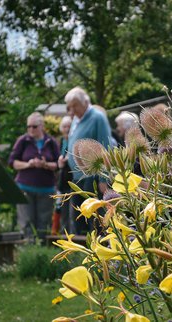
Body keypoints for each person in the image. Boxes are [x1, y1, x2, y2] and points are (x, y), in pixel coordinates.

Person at [65, 87, 111, 234]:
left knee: (94, 216)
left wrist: (104, 179)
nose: (72, 110)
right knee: (79, 217)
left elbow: (105, 146)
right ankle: (83, 251)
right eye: (69, 107)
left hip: (92, 176)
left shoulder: (97, 117)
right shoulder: (76, 120)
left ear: (85, 102)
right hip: (77, 176)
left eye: (75, 106)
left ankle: (100, 248)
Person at [8, 112, 60, 242]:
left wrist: (45, 164)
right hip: (25, 188)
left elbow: (58, 164)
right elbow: (12, 162)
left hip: (46, 190)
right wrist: (28, 164)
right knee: (26, 223)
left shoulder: (51, 142)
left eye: (34, 126)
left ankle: (42, 255)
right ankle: (28, 253)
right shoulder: (22, 141)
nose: (31, 129)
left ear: (42, 126)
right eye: (29, 126)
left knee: (44, 224)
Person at [57, 115, 72, 232]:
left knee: (71, 210)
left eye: (69, 126)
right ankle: (63, 232)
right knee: (63, 209)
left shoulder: (74, 140)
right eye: (65, 126)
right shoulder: (61, 141)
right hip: (62, 181)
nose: (67, 129)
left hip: (72, 179)